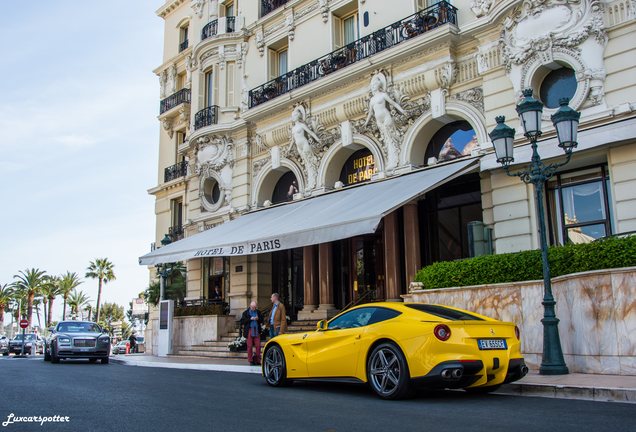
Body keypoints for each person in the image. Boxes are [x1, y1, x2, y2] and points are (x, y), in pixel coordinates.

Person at [240, 301, 264, 366]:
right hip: (249, 330)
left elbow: (262, 320)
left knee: (258, 346)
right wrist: (250, 319)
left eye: (255, 307)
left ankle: (258, 360)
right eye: (253, 307)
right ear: (250, 306)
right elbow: (242, 321)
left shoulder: (258, 312)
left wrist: (258, 319)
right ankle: (250, 360)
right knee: (249, 346)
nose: (254, 308)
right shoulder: (245, 313)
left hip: (256, 330)